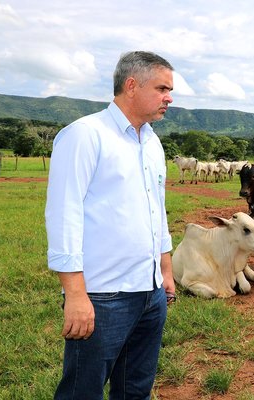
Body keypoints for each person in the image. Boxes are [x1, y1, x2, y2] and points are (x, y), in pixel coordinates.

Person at [45, 51, 177, 399]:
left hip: (150, 293)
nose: (169, 97)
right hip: (103, 295)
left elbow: (157, 210)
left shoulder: (152, 142)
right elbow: (63, 214)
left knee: (135, 390)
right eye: (162, 88)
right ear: (131, 85)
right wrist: (75, 295)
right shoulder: (84, 135)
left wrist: (164, 270)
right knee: (82, 392)